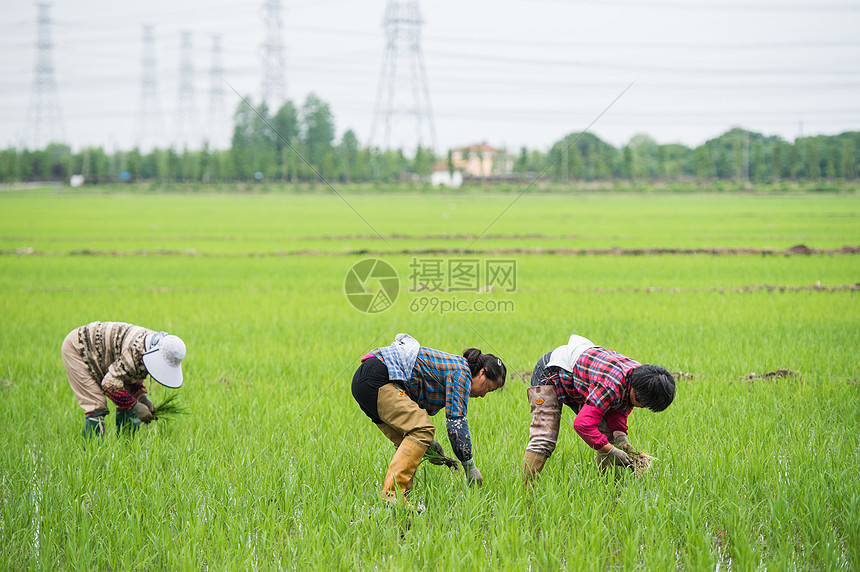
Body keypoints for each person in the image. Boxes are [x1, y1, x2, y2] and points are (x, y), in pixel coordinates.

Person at [352, 333, 506, 506]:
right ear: (482, 373)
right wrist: (469, 466)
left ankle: (400, 503)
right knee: (422, 429)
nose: (484, 395)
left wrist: (429, 447)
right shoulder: (462, 373)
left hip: (363, 383)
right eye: (489, 388)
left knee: (408, 441)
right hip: (377, 378)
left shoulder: (453, 371)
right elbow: (457, 424)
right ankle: (393, 496)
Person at [522, 334, 675, 481]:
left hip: (580, 381)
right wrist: (610, 450)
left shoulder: (640, 377)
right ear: (635, 389)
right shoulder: (612, 385)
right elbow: (582, 424)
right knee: (544, 437)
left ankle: (607, 489)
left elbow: (619, 407)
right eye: (642, 403)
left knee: (606, 432)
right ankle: (525, 493)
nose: (641, 407)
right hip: (551, 372)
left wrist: (621, 437)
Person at [61, 321, 186, 437]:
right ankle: (91, 453)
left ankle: (126, 450)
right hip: (79, 348)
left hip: (104, 355)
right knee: (96, 406)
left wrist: (142, 397)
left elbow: (130, 375)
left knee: (125, 398)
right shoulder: (137, 351)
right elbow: (109, 384)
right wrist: (135, 406)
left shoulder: (154, 344)